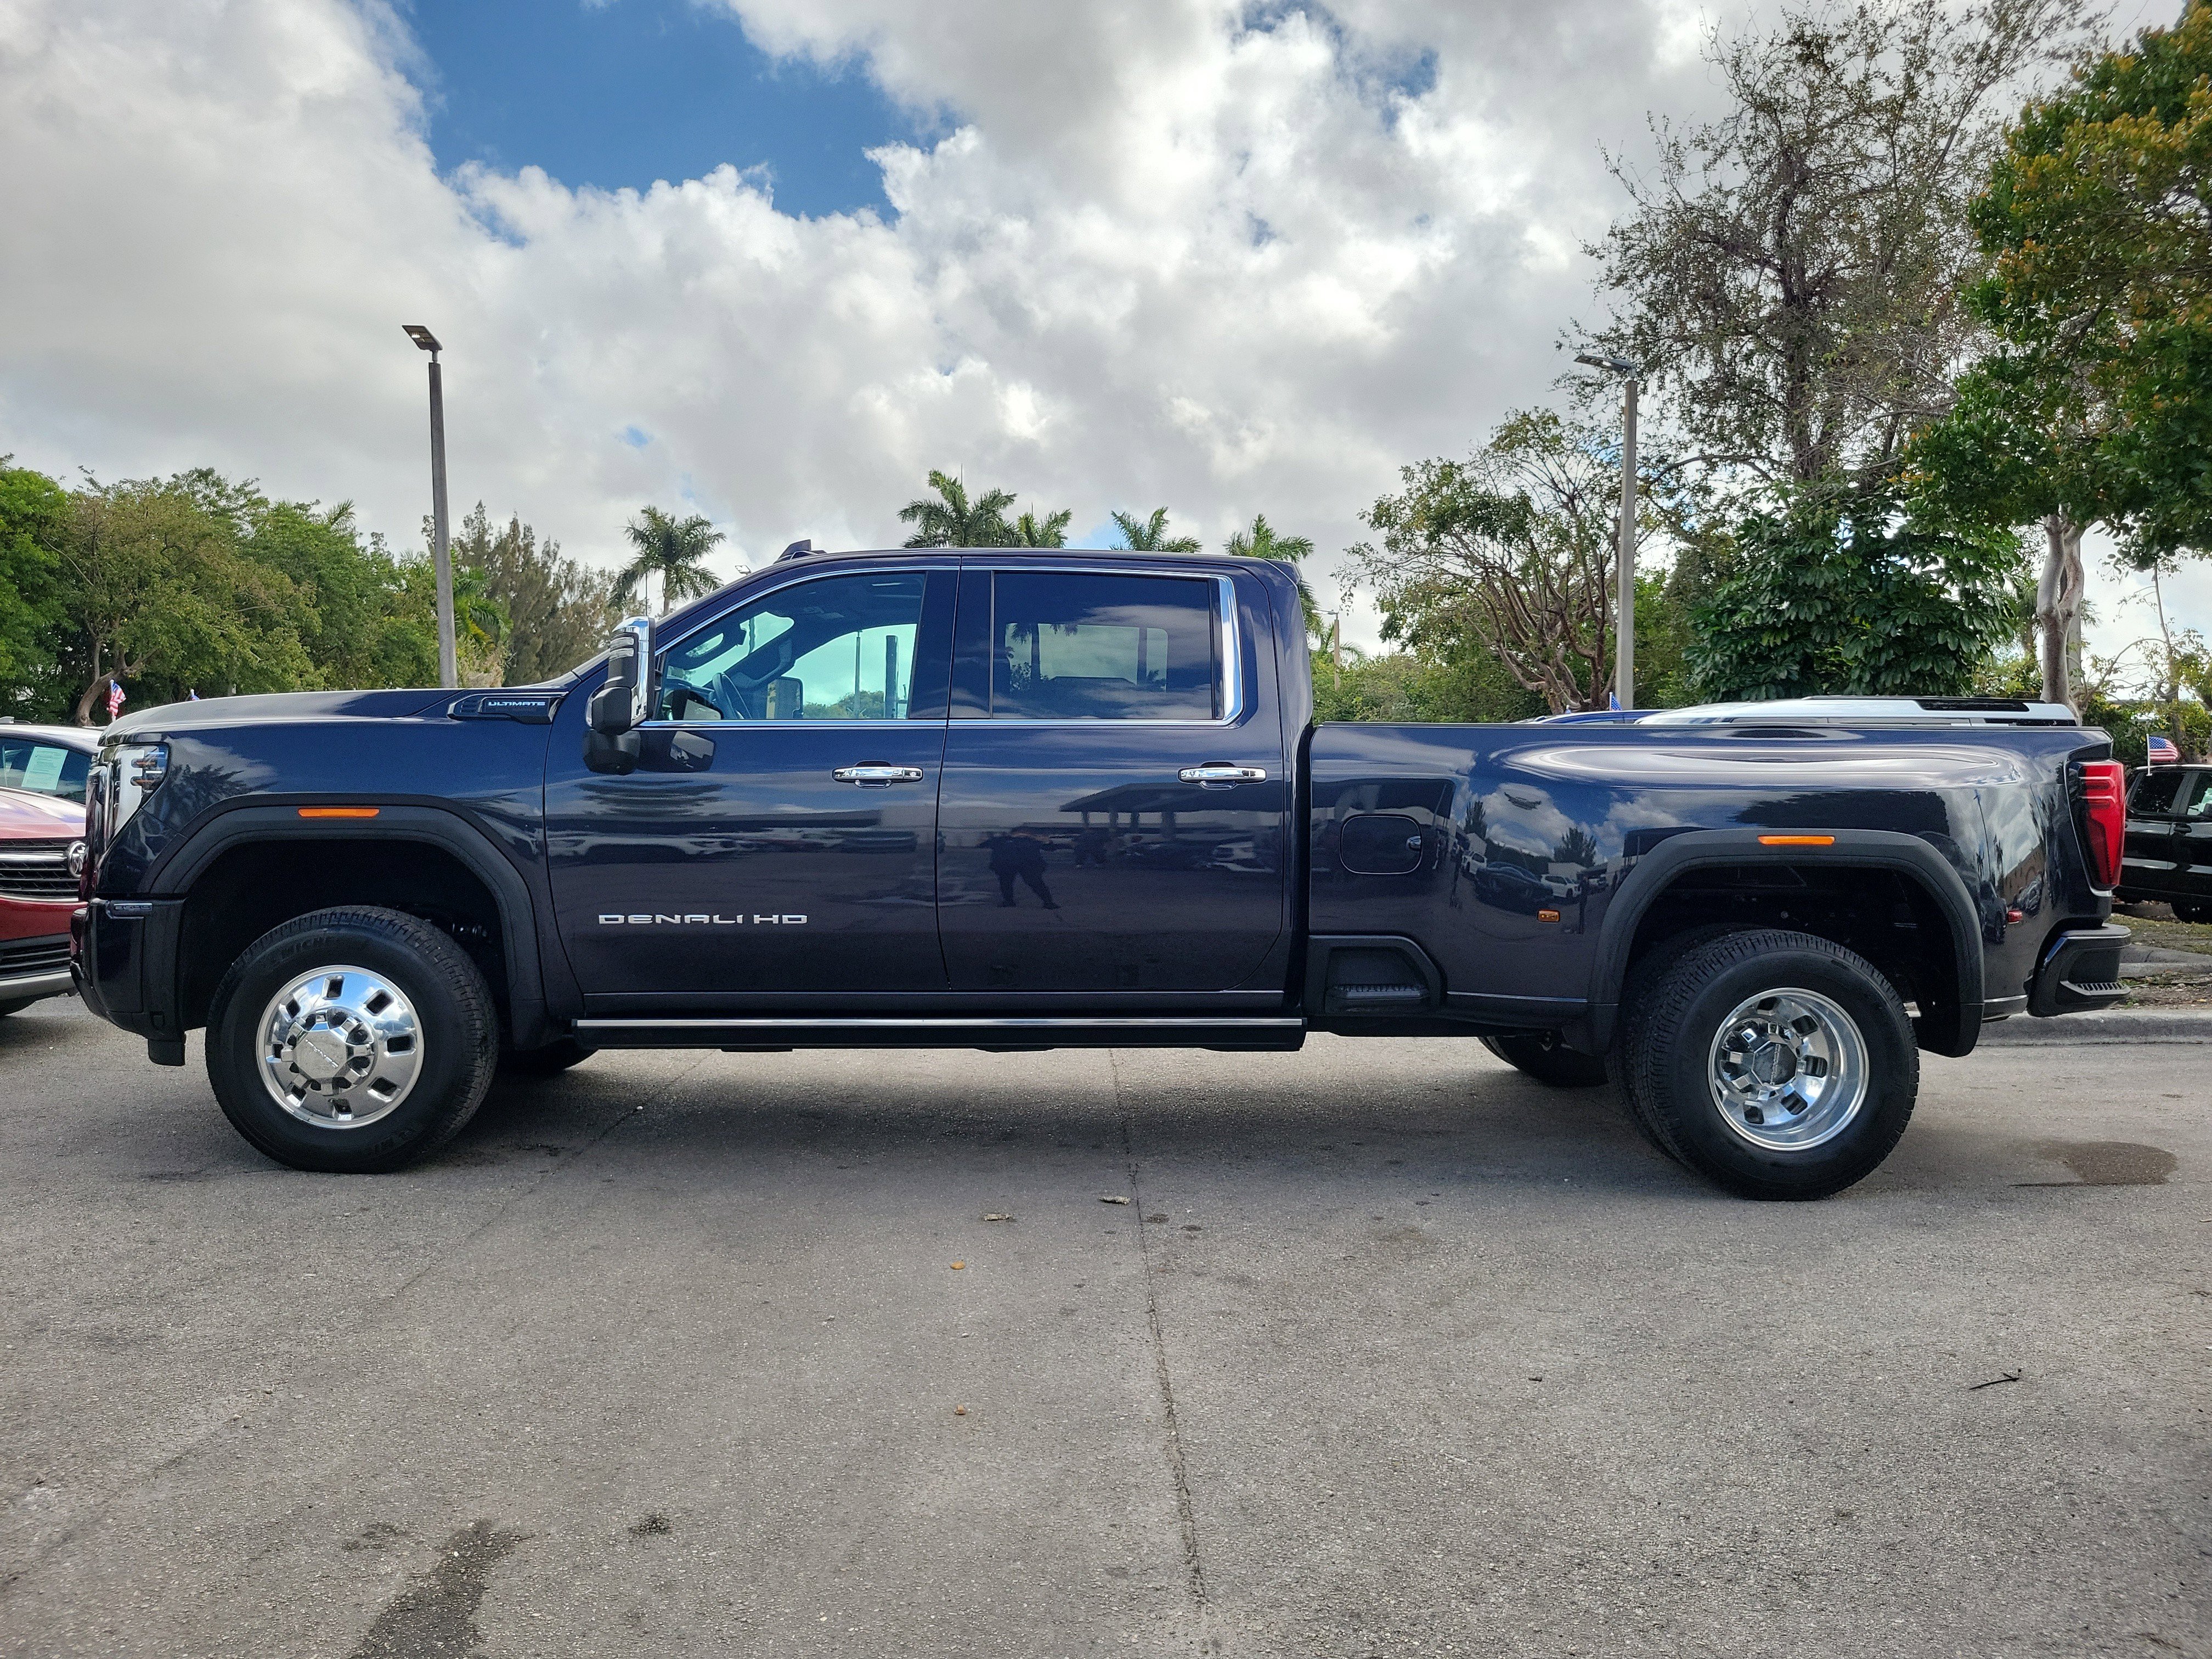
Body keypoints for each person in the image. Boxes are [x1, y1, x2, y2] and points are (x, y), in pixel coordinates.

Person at [983, 828, 1058, 909]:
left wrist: (1047, 841)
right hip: (1008, 865)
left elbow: (1050, 848)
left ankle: (1048, 902)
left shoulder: (1031, 840)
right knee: (1006, 883)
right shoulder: (1003, 840)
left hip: (1027, 864)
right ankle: (1009, 901)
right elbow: (986, 844)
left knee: (1036, 883)